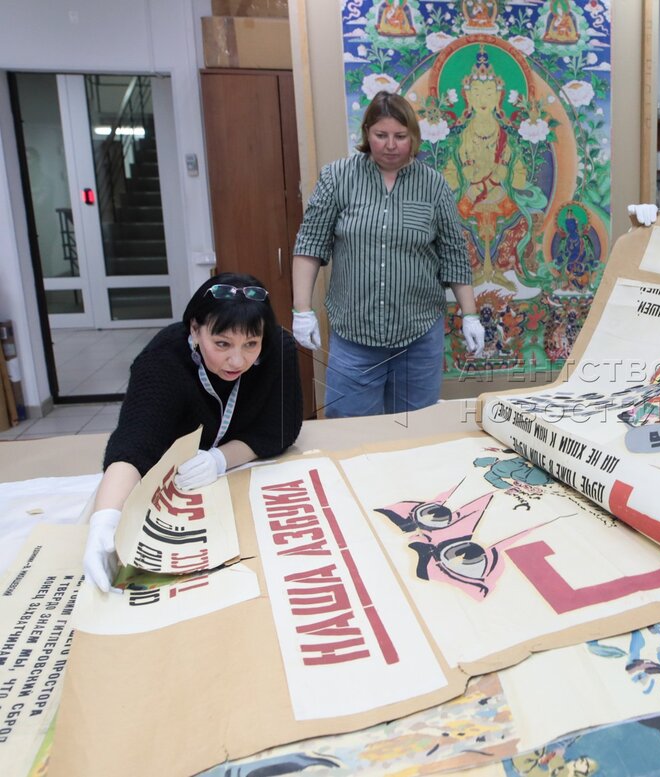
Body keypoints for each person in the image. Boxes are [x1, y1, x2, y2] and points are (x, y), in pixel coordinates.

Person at [82, 273, 304, 593]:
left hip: (234, 480)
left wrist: (221, 458)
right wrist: (104, 521)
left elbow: (281, 427)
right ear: (195, 330)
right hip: (173, 483)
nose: (237, 360)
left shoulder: (277, 348)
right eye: (222, 344)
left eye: (251, 344)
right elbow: (134, 443)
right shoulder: (163, 358)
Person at [290, 91, 485, 418]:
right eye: (381, 135)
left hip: (418, 338)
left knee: (414, 430)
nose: (390, 145)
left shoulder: (433, 186)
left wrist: (470, 315)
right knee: (351, 433)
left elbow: (453, 255)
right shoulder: (337, 178)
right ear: (367, 133)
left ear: (414, 137)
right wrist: (302, 310)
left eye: (400, 136)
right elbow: (310, 244)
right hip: (354, 337)